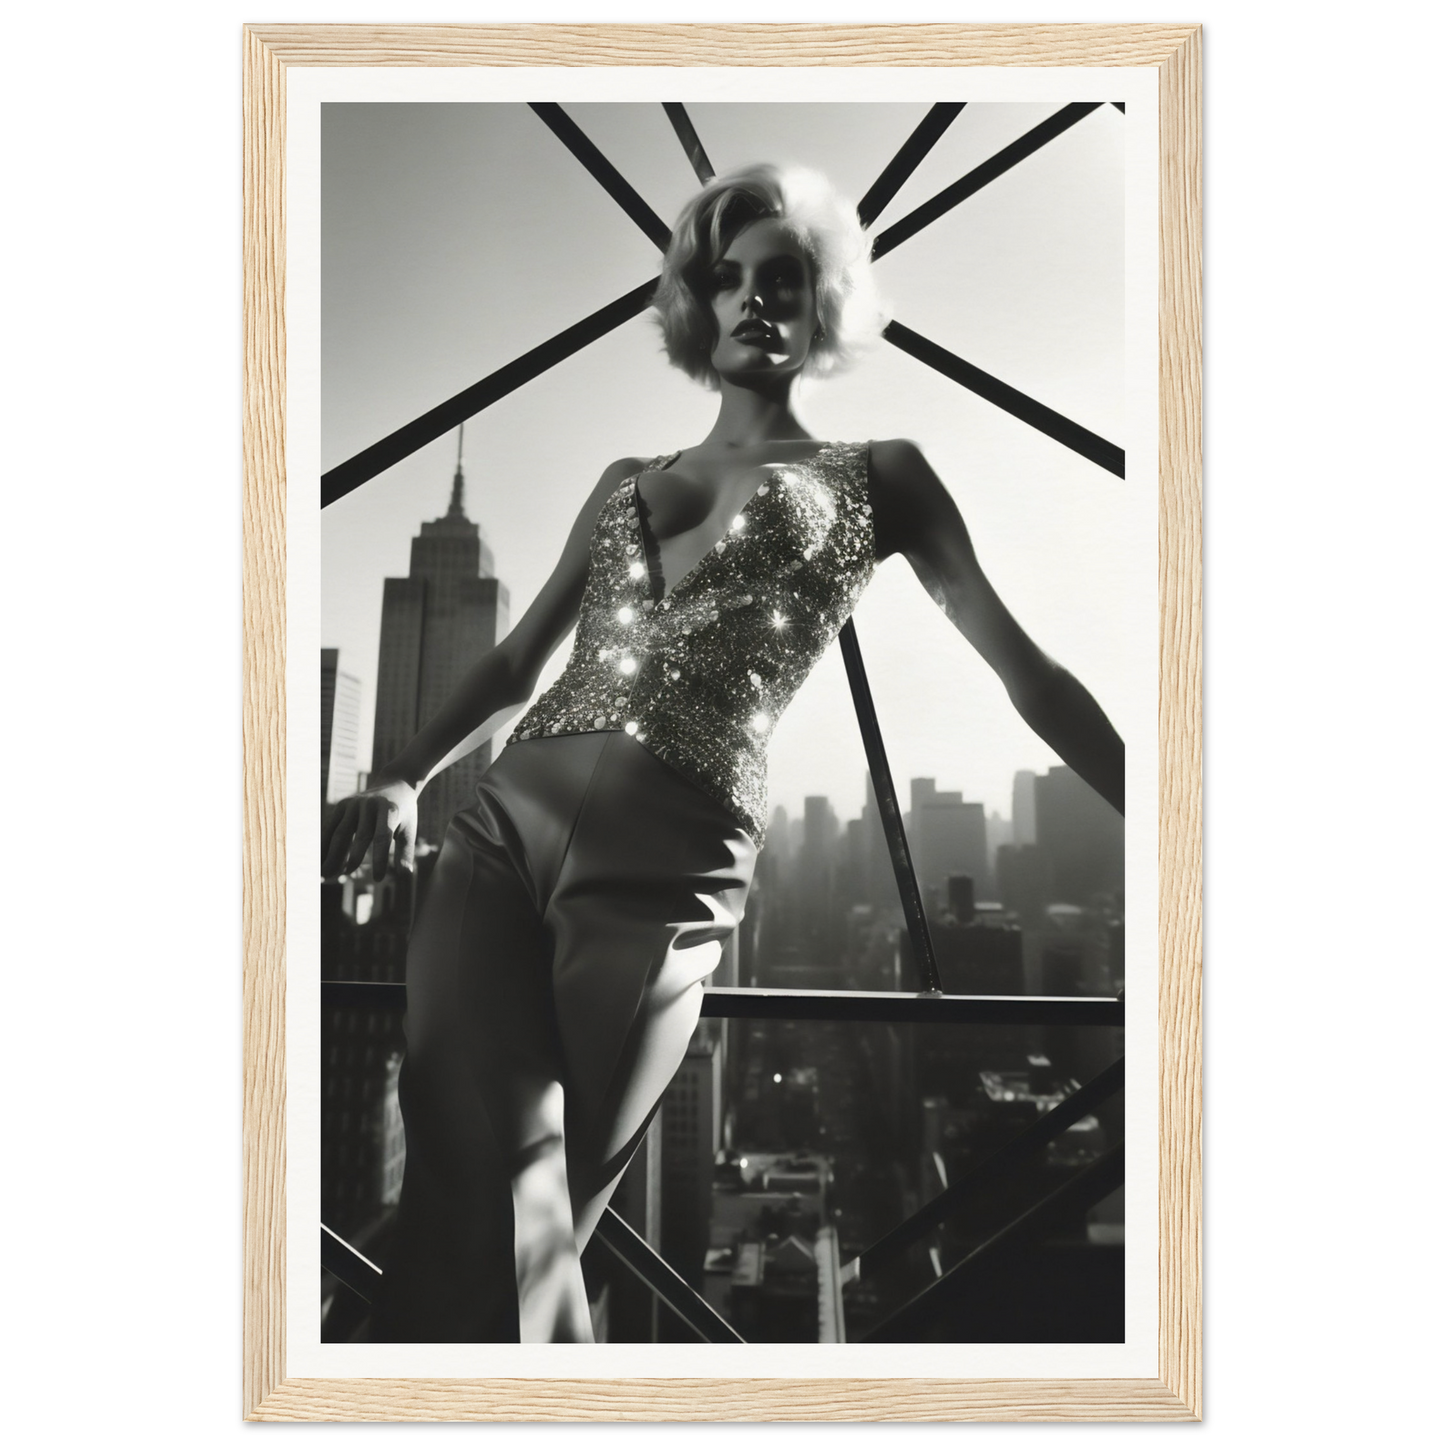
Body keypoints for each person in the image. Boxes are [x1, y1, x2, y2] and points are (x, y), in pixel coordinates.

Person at [321, 164, 1125, 1343]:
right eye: (724, 276)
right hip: (495, 831)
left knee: (528, 1215)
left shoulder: (879, 474)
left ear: (825, 299)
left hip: (671, 852)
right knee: (464, 1184)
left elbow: (1026, 671)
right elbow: (514, 665)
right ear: (693, 304)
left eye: (782, 276)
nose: (753, 297)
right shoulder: (621, 483)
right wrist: (401, 776)